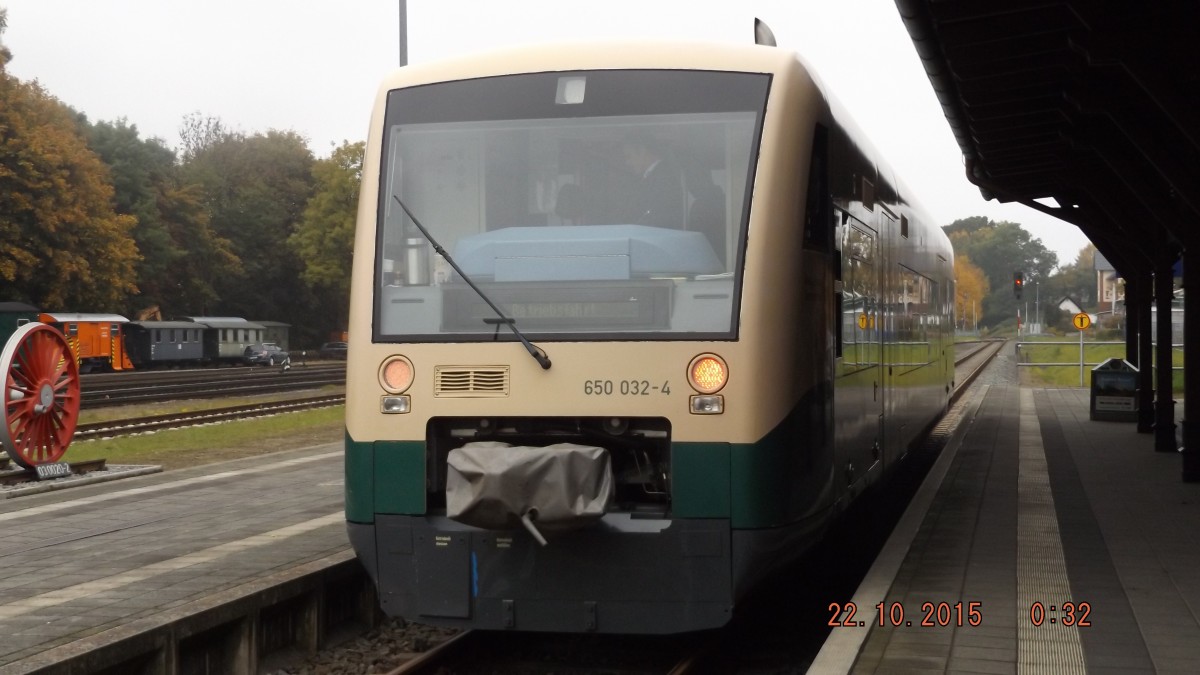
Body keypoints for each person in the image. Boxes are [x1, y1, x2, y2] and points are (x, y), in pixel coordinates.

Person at [620, 136, 686, 228]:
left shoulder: (664, 178)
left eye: (629, 156)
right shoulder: (657, 175)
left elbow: (659, 218)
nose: (627, 162)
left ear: (642, 151)